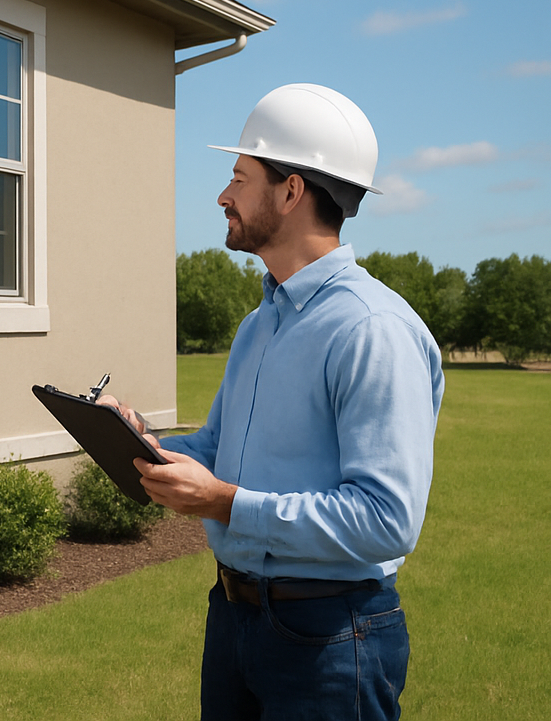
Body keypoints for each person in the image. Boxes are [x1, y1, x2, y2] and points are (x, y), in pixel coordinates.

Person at [106, 83, 444, 721]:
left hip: (332, 638)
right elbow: (219, 448)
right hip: (234, 618)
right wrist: (142, 444)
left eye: (239, 177)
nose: (223, 195)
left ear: (291, 192)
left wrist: (225, 503)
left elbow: (386, 520)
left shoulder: (372, 330)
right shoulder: (259, 324)